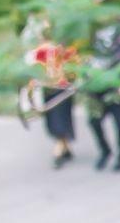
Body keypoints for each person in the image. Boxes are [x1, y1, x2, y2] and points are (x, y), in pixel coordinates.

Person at [85, 23, 120, 171]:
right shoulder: (92, 30)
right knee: (94, 121)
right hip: (98, 90)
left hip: (116, 89)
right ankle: (105, 151)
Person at [25, 38, 81, 168]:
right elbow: (35, 68)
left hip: (63, 89)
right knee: (52, 118)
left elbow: (75, 67)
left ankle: (59, 150)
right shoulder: (42, 50)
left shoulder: (68, 50)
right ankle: (65, 148)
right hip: (49, 88)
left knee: (61, 119)